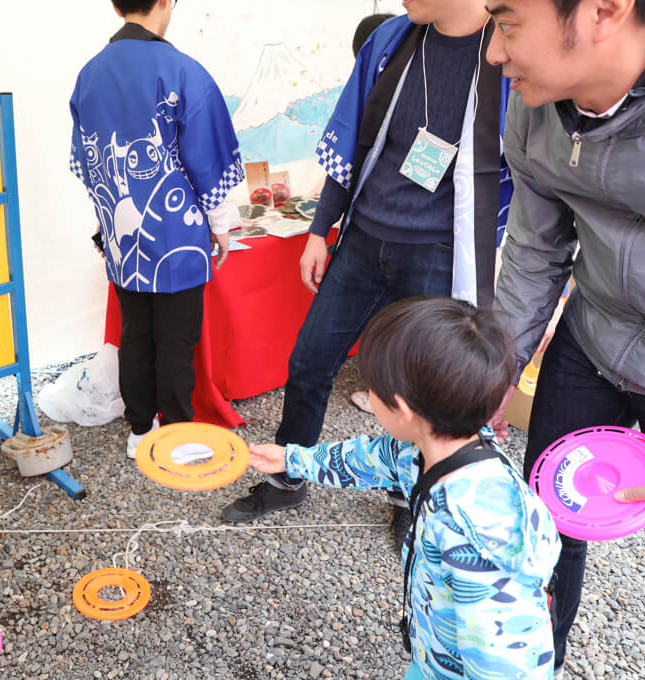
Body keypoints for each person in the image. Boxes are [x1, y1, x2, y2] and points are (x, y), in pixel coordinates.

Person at [221, 0, 515, 542]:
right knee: (309, 361)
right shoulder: (391, 41)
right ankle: (288, 477)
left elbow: (521, 171)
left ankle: (411, 495)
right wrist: (318, 231)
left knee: (420, 388)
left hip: (438, 250)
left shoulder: (506, 50)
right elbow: (350, 142)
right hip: (363, 236)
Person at [484, 0, 645, 677]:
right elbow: (536, 248)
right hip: (592, 336)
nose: (492, 51)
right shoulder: (535, 98)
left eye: (507, 22)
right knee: (542, 522)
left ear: (605, 10)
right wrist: (494, 368)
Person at [248, 297, 560, 680]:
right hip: (433, 657)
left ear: (403, 409)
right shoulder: (427, 449)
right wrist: (291, 460)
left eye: (372, 387)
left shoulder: (478, 532)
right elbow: (370, 458)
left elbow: (504, 663)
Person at [69, 0, 243, 458]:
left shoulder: (90, 74)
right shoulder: (182, 71)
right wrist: (222, 226)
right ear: (166, 1)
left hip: (121, 236)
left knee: (136, 334)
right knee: (176, 340)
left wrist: (107, 221)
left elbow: (88, 164)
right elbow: (207, 160)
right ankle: (177, 435)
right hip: (176, 236)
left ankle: (139, 430)